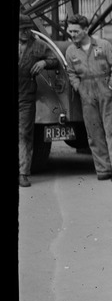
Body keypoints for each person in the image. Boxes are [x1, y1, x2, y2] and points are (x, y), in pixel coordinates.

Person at [63, 14, 112, 181]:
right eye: (70, 31)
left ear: (86, 30)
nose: (72, 34)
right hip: (86, 92)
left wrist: (110, 86)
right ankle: (103, 170)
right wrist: (79, 88)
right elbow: (71, 73)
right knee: (94, 133)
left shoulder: (103, 45)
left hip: (105, 88)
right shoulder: (71, 51)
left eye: (76, 31)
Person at [18, 14, 59, 187]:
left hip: (26, 96)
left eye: (27, 28)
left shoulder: (38, 45)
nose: (25, 32)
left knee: (25, 134)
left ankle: (23, 173)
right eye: (21, 29)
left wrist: (43, 63)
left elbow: (54, 59)